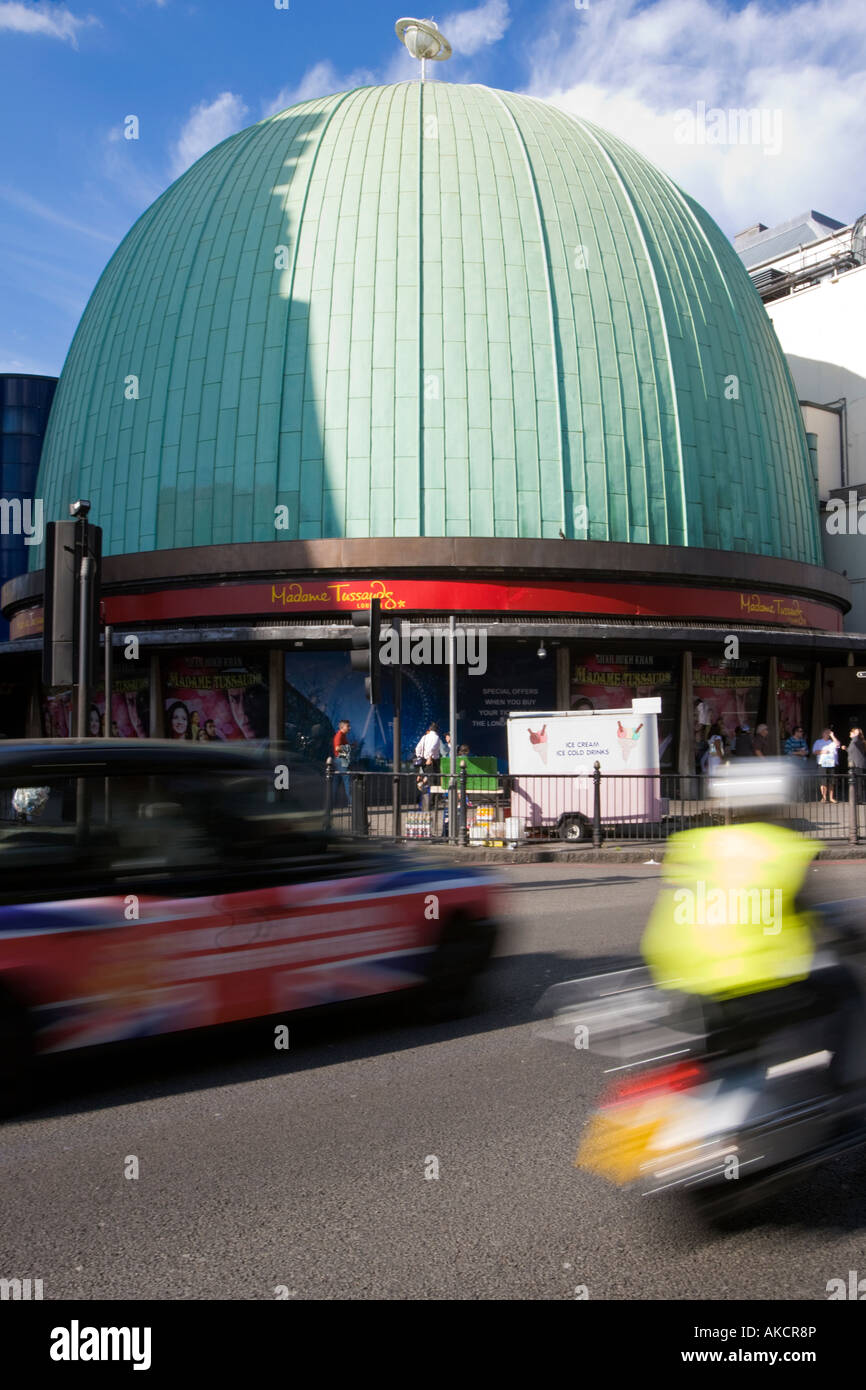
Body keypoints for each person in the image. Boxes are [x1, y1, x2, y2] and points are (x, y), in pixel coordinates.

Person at [641, 760, 863, 1091]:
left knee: (731, 1053)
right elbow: (819, 919)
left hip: (689, 990)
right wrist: (853, 939)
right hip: (760, 987)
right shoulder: (781, 847)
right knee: (847, 989)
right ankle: (844, 1093)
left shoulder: (695, 844)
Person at [813, 728, 841, 803]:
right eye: (826, 732)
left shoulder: (832, 742)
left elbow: (838, 744)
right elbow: (815, 751)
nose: (827, 734)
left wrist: (832, 735)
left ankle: (831, 797)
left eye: (829, 733)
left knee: (831, 782)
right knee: (823, 781)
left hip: (831, 763)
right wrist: (823, 751)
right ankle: (824, 797)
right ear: (822, 734)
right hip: (822, 763)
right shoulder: (818, 742)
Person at [330, 718, 352, 807]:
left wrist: (350, 746)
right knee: (347, 780)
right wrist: (348, 748)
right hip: (341, 760)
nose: (349, 728)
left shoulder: (342, 735)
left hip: (340, 759)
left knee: (336, 782)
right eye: (348, 726)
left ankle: (332, 802)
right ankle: (351, 802)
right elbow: (337, 748)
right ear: (342, 727)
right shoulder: (339, 735)